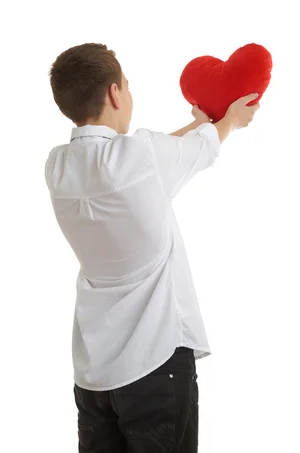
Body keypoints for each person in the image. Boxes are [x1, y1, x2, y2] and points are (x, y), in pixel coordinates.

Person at [45, 43, 259, 453]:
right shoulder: (141, 156)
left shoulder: (57, 165)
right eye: (126, 87)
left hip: (94, 375)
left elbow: (159, 155)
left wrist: (198, 124)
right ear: (113, 94)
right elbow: (184, 151)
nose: (129, 95)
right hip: (156, 364)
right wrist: (230, 120)